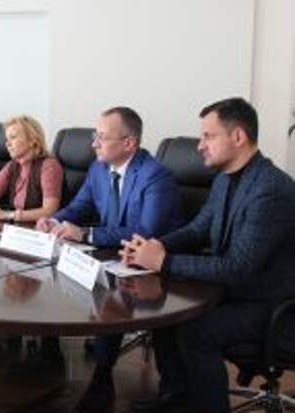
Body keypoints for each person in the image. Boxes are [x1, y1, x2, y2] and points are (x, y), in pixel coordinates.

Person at [121, 97, 295, 413]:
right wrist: (152, 247)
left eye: (208, 136)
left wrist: (163, 262)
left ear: (238, 137)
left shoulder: (271, 189)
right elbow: (198, 229)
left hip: (267, 304)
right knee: (164, 311)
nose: (200, 145)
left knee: (196, 330)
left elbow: (239, 267)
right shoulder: (225, 178)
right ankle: (176, 398)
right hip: (231, 292)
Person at [35, 107, 182, 412]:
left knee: (111, 298)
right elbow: (79, 206)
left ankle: (102, 380)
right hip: (114, 257)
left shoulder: (155, 175)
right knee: (57, 278)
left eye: (102, 137)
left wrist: (85, 233)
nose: (94, 144)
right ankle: (49, 354)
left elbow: (145, 232)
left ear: (129, 143)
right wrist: (55, 221)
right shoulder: (99, 169)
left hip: (153, 269)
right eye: (95, 136)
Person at [0, 115, 63, 223]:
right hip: (16, 226)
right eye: (7, 139)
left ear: (32, 141)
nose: (8, 144)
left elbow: (49, 211)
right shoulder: (12, 166)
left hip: (40, 228)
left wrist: (7, 215)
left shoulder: (49, 166)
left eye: (13, 137)